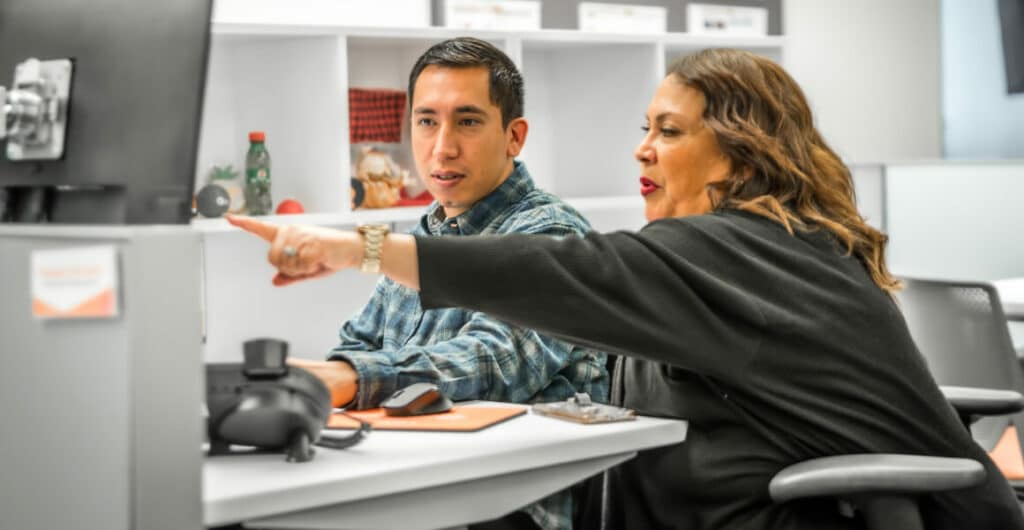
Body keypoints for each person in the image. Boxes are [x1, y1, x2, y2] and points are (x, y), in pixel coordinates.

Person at [228, 48, 1024, 529]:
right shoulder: (750, 251)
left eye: (670, 132)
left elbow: (561, 271)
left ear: (740, 159)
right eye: (644, 126)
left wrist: (355, 244)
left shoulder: (744, 255)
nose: (642, 150)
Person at [283, 37, 607, 530]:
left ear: (514, 136)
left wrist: (354, 377)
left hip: (506, 506)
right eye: (427, 121)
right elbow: (358, 344)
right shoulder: (427, 232)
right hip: (411, 483)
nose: (442, 146)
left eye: (468, 121)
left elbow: (497, 359)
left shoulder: (553, 232)